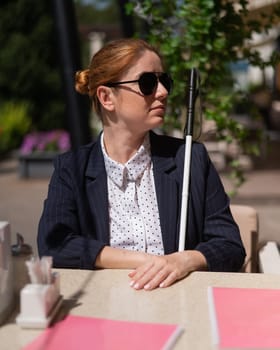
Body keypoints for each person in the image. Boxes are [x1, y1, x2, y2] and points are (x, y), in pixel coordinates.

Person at [37, 38, 245, 290]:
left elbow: (230, 246)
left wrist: (184, 260)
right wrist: (147, 261)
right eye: (147, 83)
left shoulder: (190, 159)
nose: (163, 92)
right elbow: (54, 245)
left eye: (164, 81)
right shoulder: (72, 168)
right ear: (106, 97)